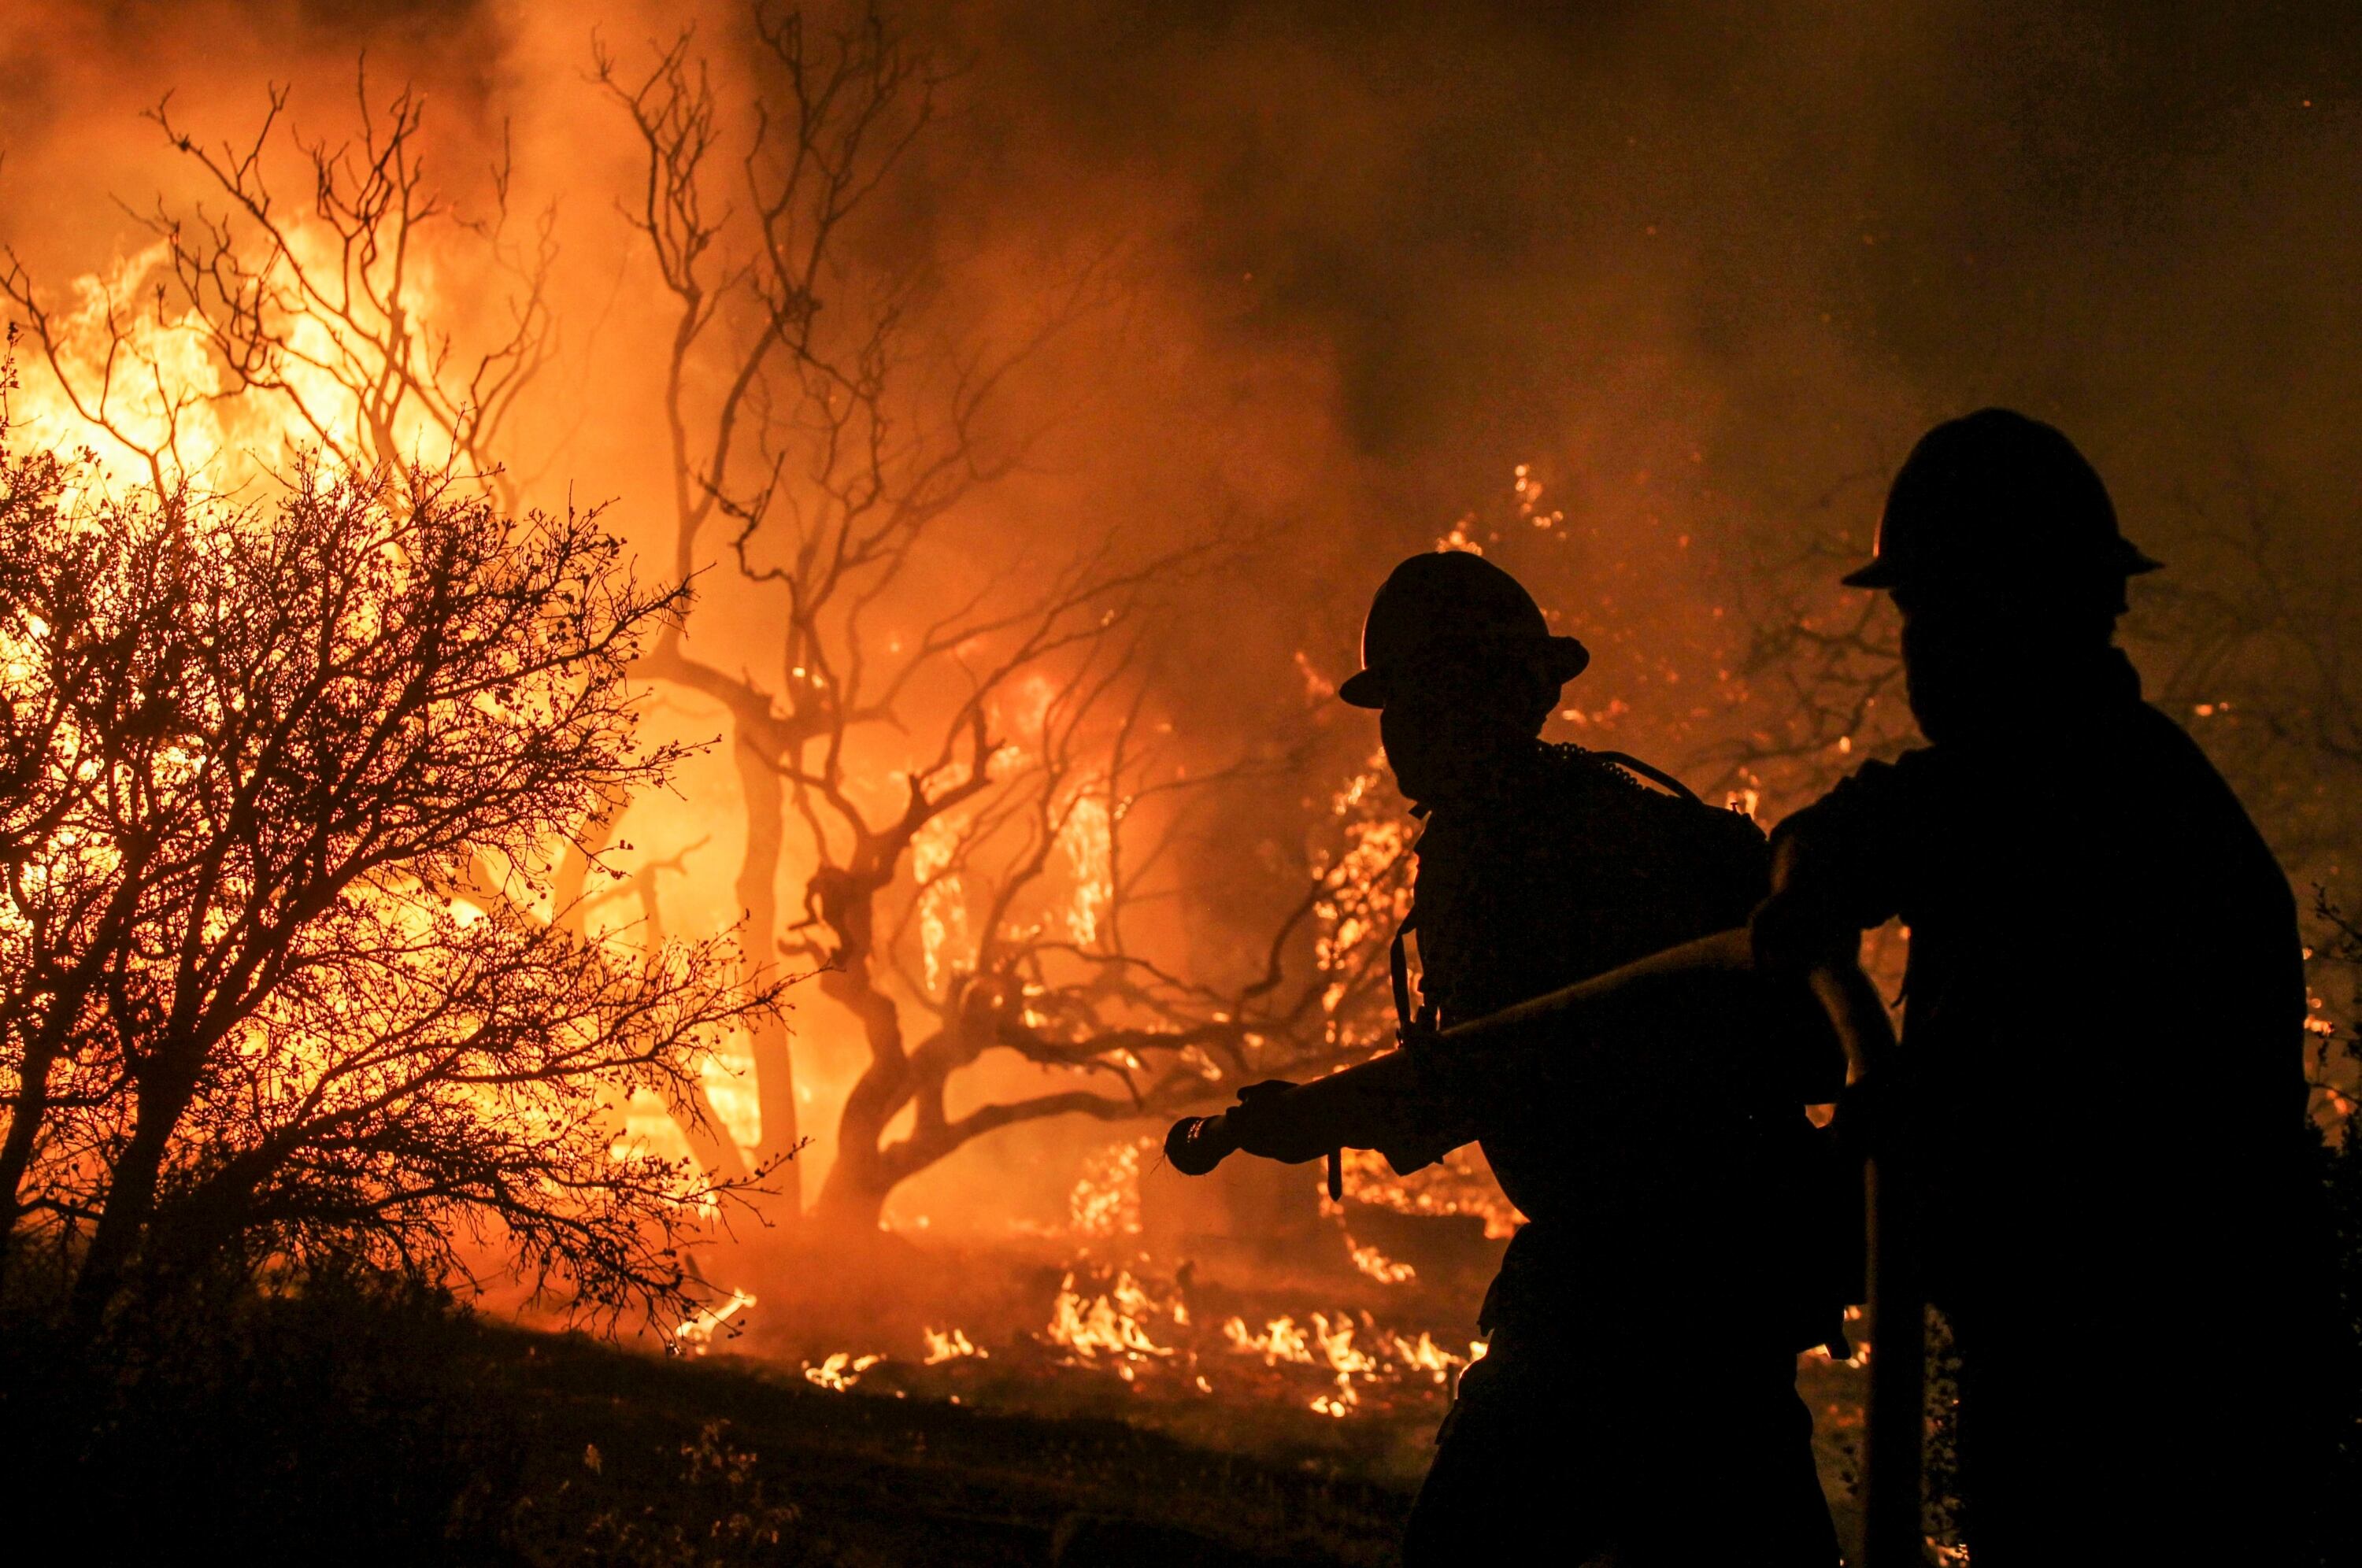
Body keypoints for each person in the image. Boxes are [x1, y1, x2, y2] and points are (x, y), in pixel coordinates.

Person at [1749, 409, 2336, 1563]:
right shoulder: (2106, 781)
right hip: (2169, 1365)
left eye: (1927, 614)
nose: (1918, 650)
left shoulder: (2063, 802)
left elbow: (2053, 1130)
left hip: (2140, 1387)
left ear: (2001, 615)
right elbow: (1847, 838)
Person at [1227, 549, 1846, 1566]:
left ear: (1480, 698)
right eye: (1398, 707)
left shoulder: (1507, 842)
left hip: (1624, 1286)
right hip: (1726, 1275)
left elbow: (1514, 1063)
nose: (1400, 735)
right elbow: (1531, 1049)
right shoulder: (1621, 820)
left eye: (1418, 701)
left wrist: (1328, 1118)